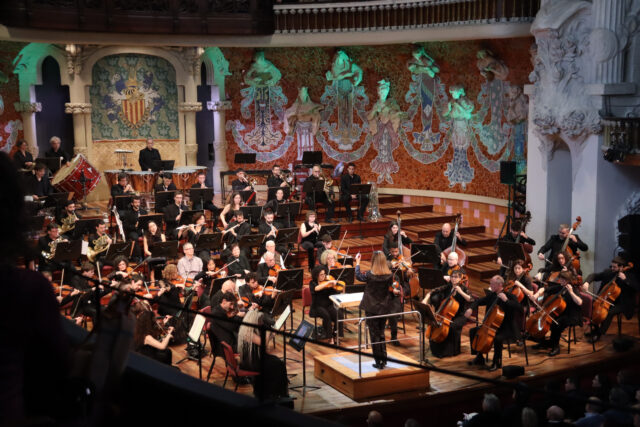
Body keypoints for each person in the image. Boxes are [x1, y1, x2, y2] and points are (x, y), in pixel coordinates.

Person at [466, 275, 522, 371]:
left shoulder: (509, 296)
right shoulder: (492, 295)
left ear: (500, 285)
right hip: (492, 326)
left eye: (492, 284)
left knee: (497, 338)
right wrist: (470, 308)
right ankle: (479, 357)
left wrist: (506, 301)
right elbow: (479, 301)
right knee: (473, 331)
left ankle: (496, 362)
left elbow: (519, 308)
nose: (490, 285)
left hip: (507, 327)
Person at [526, 270, 584, 356]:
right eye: (561, 279)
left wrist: (571, 292)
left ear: (569, 280)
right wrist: (536, 295)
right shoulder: (561, 287)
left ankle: (555, 347)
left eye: (564, 280)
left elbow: (580, 302)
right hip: (562, 312)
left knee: (556, 324)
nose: (561, 281)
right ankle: (544, 343)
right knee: (550, 321)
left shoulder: (574, 289)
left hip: (572, 315)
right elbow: (545, 288)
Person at [583, 255, 638, 342]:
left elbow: (636, 287)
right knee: (592, 305)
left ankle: (599, 333)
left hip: (623, 303)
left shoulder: (630, 276)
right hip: (607, 299)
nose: (612, 268)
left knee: (609, 312)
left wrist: (625, 280)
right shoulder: (609, 272)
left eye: (614, 267)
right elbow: (594, 275)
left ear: (621, 267)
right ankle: (595, 329)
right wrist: (587, 282)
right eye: (611, 266)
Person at [237, 310, 289, 400]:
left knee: (277, 361)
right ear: (253, 321)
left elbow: (264, 340)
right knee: (278, 364)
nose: (261, 323)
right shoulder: (247, 332)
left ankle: (276, 391)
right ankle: (273, 392)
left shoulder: (251, 329)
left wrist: (272, 334)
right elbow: (263, 343)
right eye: (259, 320)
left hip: (256, 358)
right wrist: (268, 332)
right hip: (251, 362)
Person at [355, 251, 393, 369]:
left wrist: (357, 263)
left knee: (374, 334)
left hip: (372, 308)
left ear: (373, 261)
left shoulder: (369, 275)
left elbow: (358, 276)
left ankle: (378, 361)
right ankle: (384, 359)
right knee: (381, 333)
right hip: (384, 308)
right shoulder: (389, 276)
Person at [422, 270, 472, 358]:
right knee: (435, 323)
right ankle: (436, 349)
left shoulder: (464, 288)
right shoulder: (448, 287)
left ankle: (451, 351)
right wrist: (425, 299)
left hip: (460, 315)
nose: (453, 279)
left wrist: (461, 292)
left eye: (456, 277)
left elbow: (471, 299)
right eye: (452, 277)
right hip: (447, 314)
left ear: (460, 278)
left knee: (451, 326)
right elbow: (433, 291)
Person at [309, 265, 344, 340]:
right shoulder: (312, 283)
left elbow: (335, 293)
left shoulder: (328, 283)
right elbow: (316, 289)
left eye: (324, 274)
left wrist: (337, 287)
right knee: (327, 316)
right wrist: (328, 282)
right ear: (316, 275)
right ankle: (329, 337)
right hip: (317, 307)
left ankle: (336, 334)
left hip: (328, 306)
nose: (323, 276)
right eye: (321, 275)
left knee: (339, 315)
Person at [387, 246, 411, 346]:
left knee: (395, 303)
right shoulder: (388, 261)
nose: (395, 254)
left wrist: (407, 272)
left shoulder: (401, 264)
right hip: (385, 293)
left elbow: (403, 280)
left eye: (396, 251)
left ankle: (394, 335)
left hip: (399, 287)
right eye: (392, 251)